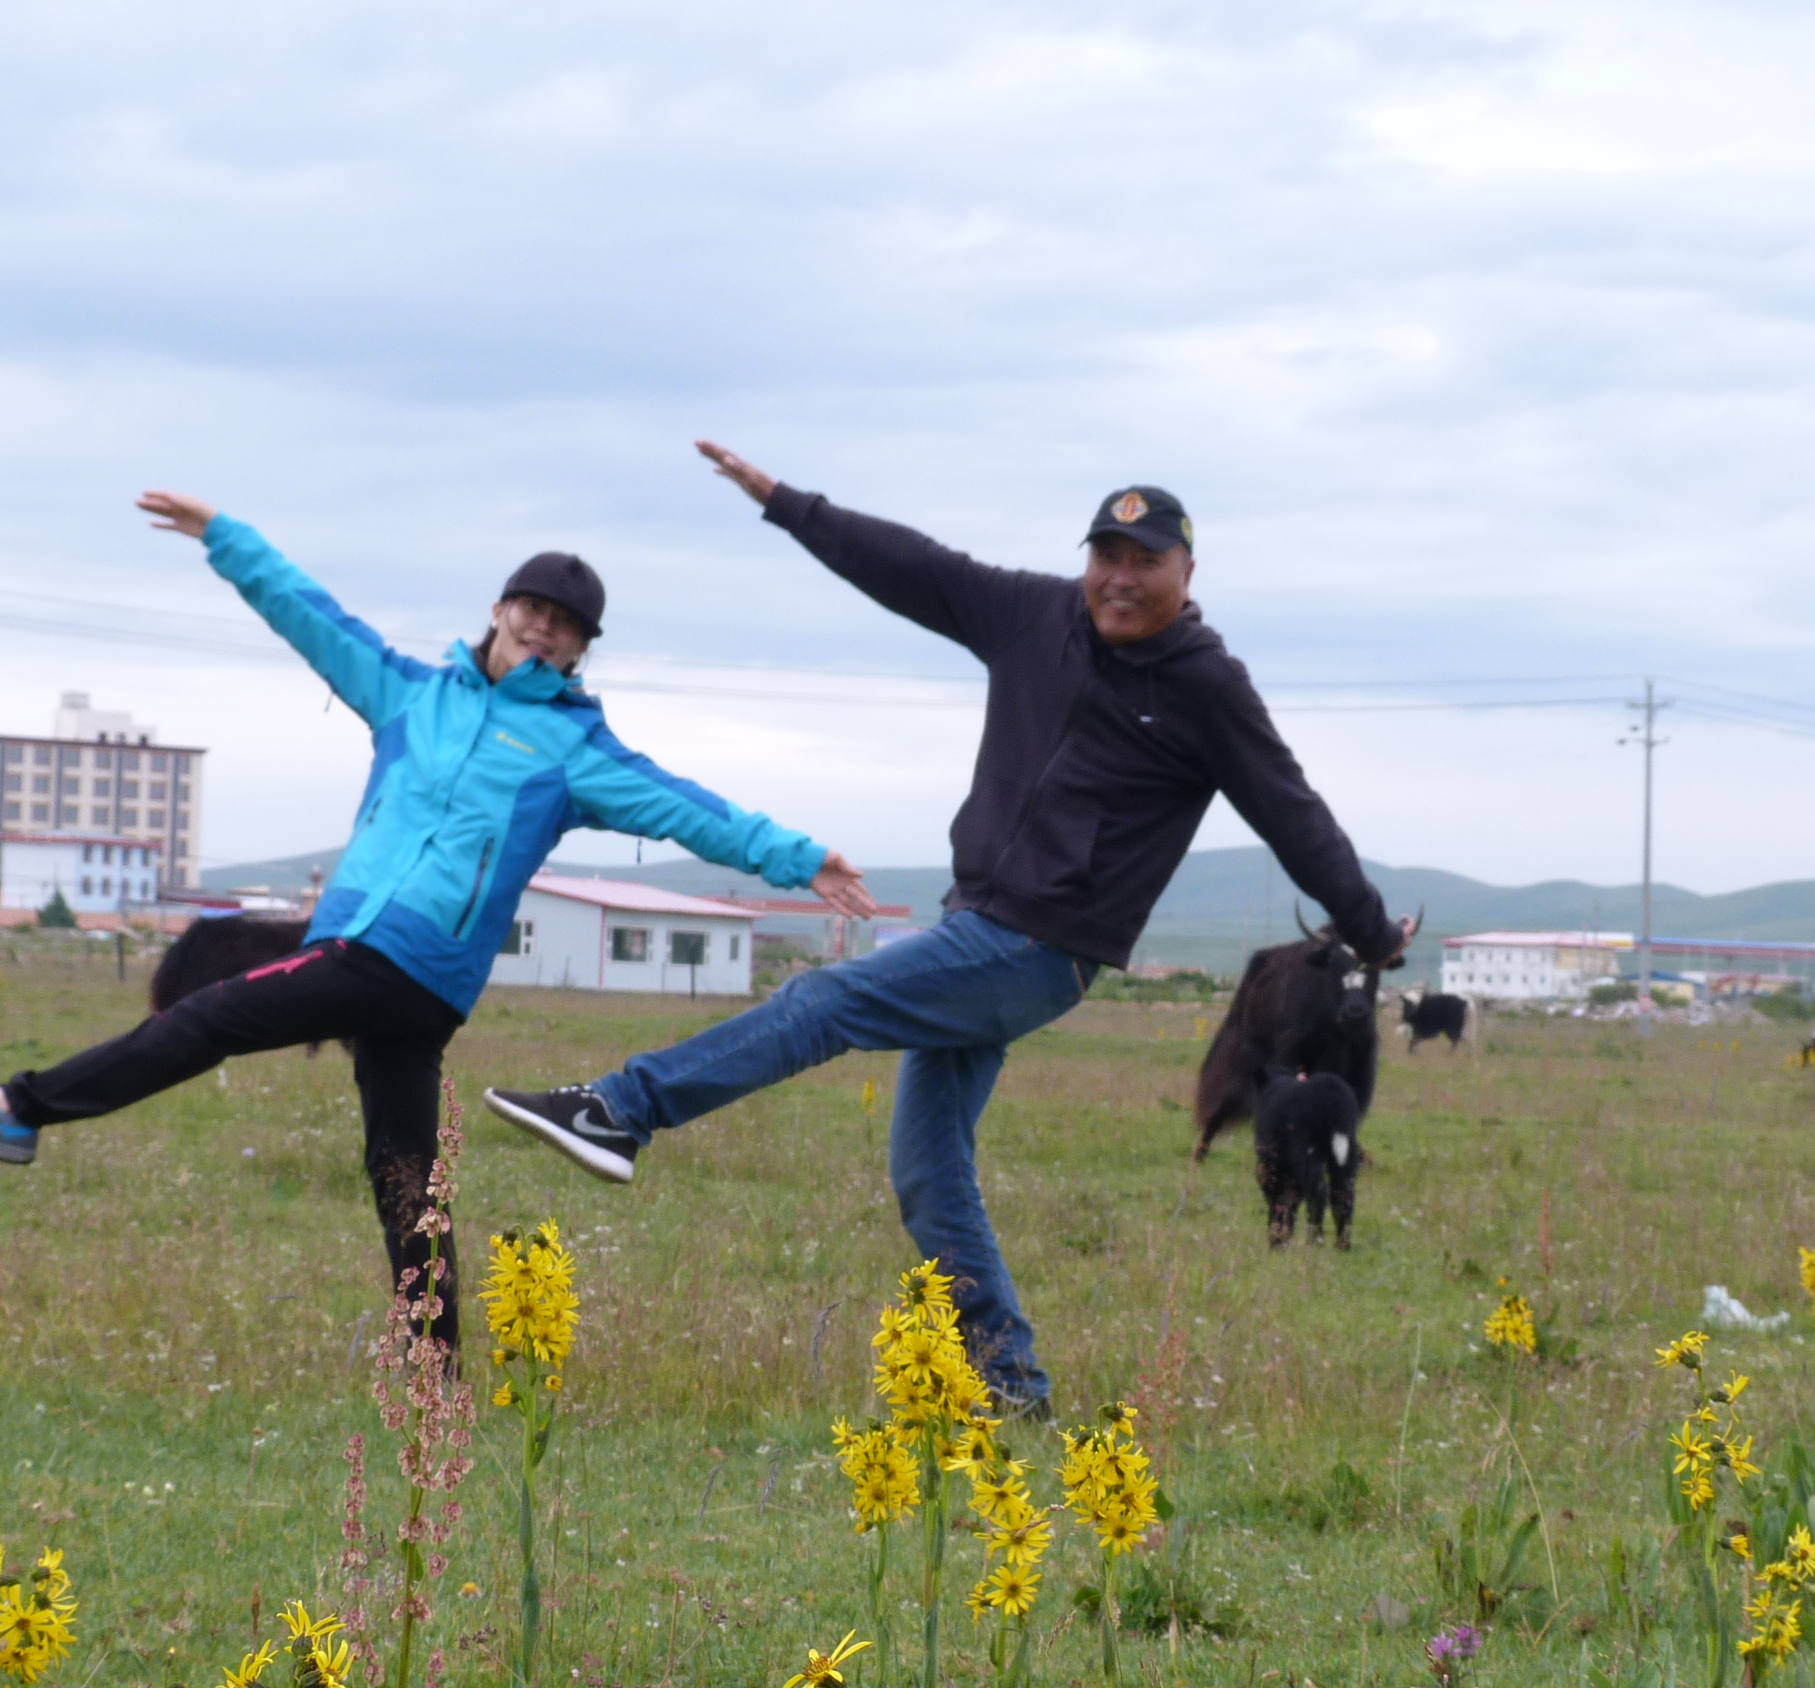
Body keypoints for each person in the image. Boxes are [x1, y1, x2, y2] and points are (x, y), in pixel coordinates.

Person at [487, 444, 1413, 1408]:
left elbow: (1291, 811)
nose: (1120, 579)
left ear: (1187, 573)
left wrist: (1372, 930)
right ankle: (1012, 1380)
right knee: (928, 1167)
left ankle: (619, 1110)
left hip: (1041, 949)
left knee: (824, 999)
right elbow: (917, 569)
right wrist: (789, 506)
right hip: (976, 919)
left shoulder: (1207, 686)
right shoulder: (1035, 616)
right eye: (1108, 555)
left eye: (1145, 561)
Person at [0, 489, 879, 1340]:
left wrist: (801, 860)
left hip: (410, 965)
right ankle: (437, 1368)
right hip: (373, 961)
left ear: (582, 649)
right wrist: (224, 537)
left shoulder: (578, 752)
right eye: (532, 606)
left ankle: (15, 1110)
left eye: (566, 623)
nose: (544, 626)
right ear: (497, 609)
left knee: (204, 1020)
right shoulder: (409, 694)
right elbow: (311, 616)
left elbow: (692, 810)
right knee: (405, 1172)